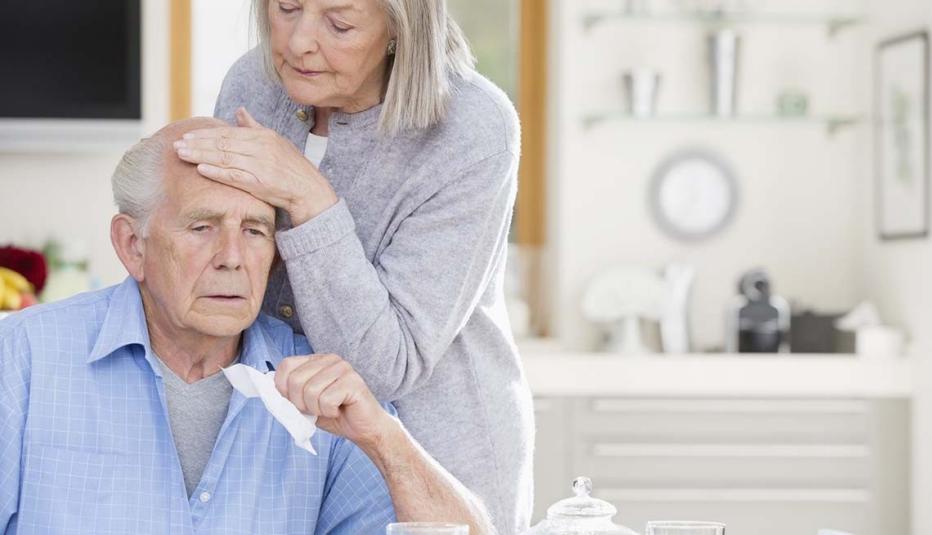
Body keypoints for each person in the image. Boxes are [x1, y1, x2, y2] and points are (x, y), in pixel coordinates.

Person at [0, 118, 495, 535]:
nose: (233, 259)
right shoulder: (23, 357)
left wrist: (384, 441)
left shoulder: (323, 389)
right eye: (202, 227)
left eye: (255, 231)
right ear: (133, 245)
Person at [173, 1, 534, 531]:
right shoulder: (255, 81)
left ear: (400, 27)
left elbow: (389, 367)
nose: (298, 43)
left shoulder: (473, 128)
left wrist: (307, 195)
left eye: (339, 24)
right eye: (287, 8)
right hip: (282, 447)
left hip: (429, 457)